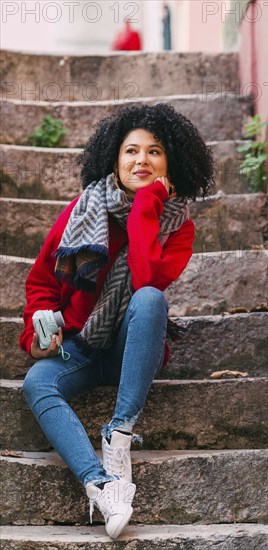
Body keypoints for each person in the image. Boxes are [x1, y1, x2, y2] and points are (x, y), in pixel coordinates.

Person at [20, 103, 215, 539]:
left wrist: (147, 204)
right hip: (81, 346)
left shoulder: (178, 225)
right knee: (36, 381)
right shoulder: (83, 209)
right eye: (130, 151)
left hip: (135, 347)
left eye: (154, 151)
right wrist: (37, 336)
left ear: (171, 163)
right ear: (114, 159)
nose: (140, 160)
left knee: (149, 299)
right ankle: (102, 483)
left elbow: (148, 277)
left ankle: (119, 434)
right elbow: (40, 285)